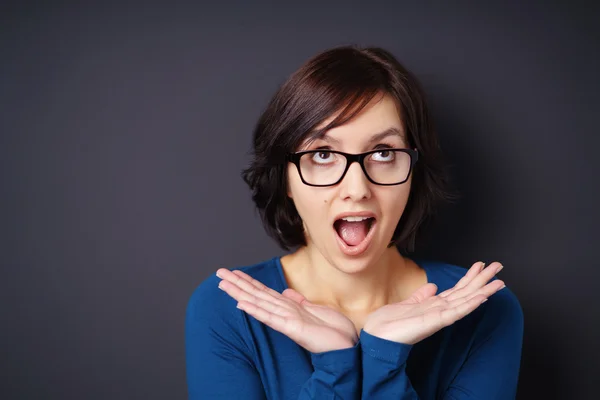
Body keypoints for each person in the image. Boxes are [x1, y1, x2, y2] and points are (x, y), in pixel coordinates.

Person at [185, 45, 524, 399]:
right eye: (323, 154)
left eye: (383, 153)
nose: (356, 189)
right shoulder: (226, 309)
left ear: (413, 174)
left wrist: (383, 356)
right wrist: (335, 367)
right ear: (284, 178)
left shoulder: (485, 310)